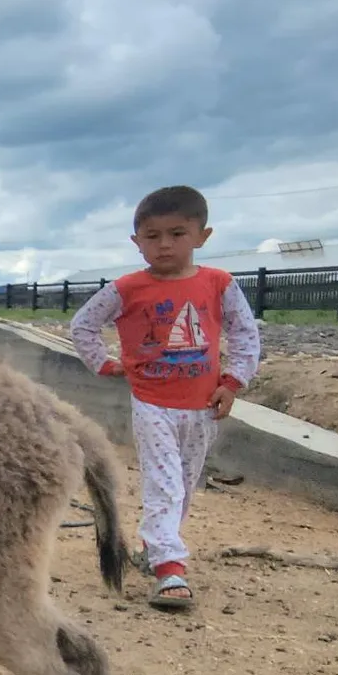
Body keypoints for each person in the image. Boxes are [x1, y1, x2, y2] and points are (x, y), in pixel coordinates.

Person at [69, 185, 261, 611]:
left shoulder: (218, 284)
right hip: (152, 402)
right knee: (165, 482)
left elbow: (246, 334)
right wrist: (104, 363)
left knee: (185, 485)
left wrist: (232, 382)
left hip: (202, 406)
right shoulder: (126, 288)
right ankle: (169, 567)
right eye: (152, 236)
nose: (164, 244)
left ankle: (153, 547)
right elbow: (82, 325)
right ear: (137, 242)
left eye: (177, 233)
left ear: (202, 236)